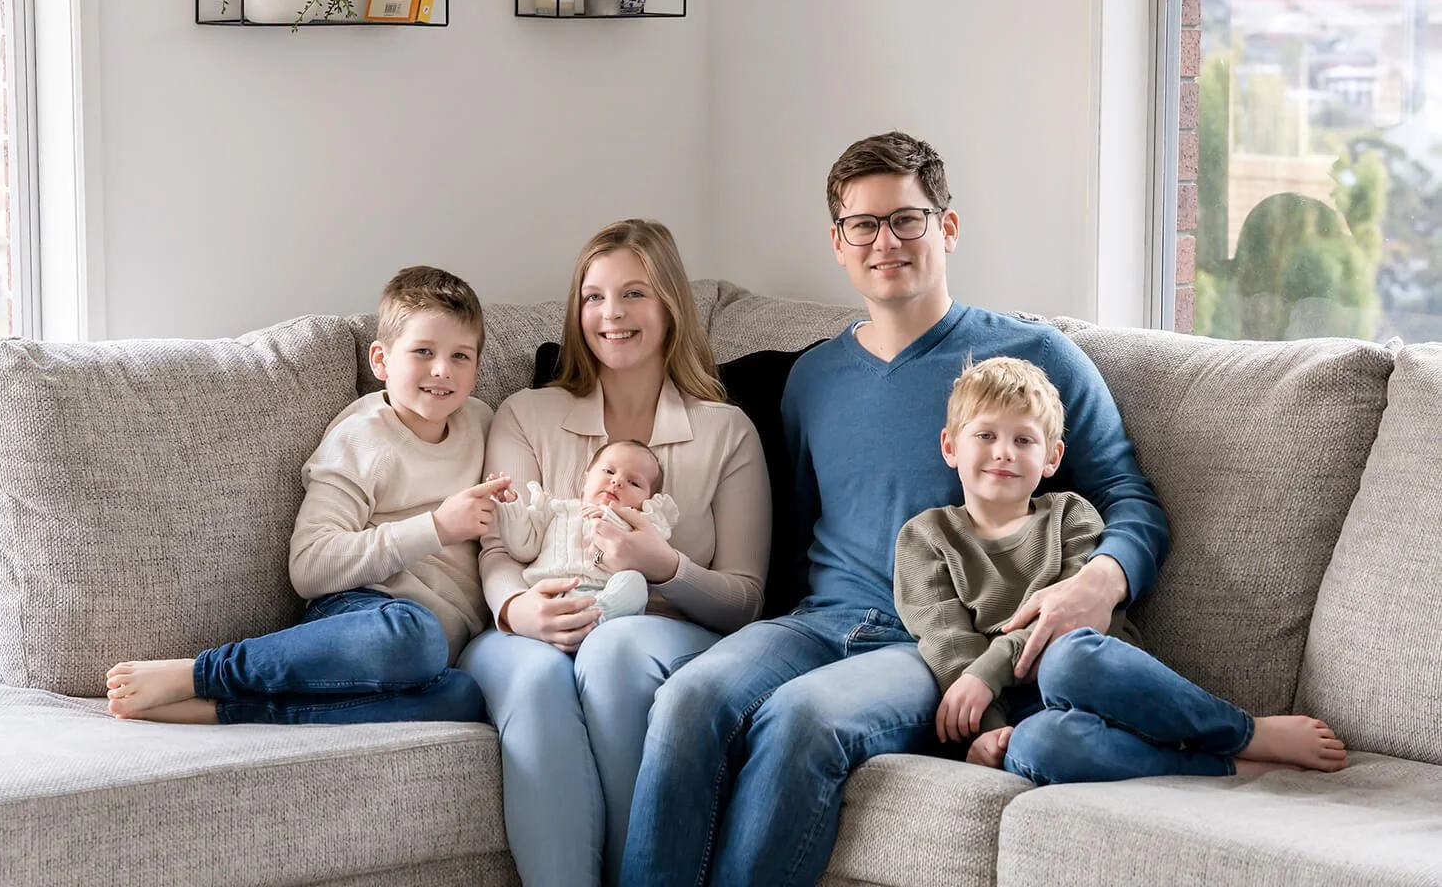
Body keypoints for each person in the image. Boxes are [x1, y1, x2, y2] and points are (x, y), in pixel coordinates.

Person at [620, 131, 1172, 887]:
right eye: (863, 225)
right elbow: (801, 532)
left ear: (946, 227)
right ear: (839, 244)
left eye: (906, 219)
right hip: (815, 622)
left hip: (928, 642)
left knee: (802, 721)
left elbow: (1128, 494)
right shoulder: (811, 378)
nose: (886, 241)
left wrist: (1100, 583)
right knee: (685, 698)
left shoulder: (1034, 356)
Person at [460, 220, 771, 887]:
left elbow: (745, 599)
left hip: (660, 627)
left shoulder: (726, 431)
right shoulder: (525, 413)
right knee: (539, 677)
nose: (612, 315)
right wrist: (516, 609)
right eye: (593, 296)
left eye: (634, 294)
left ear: (671, 306)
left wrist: (666, 567)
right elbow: (494, 546)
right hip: (522, 625)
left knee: (614, 651)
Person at [894, 356, 1347, 781]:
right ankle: (1223, 766)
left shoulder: (1071, 517)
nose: (1004, 452)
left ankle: (1244, 732)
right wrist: (986, 730)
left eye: (1024, 440)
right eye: (986, 436)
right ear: (951, 446)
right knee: (1036, 748)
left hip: (1104, 686)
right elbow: (948, 644)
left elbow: (1073, 622)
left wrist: (989, 670)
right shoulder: (926, 538)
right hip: (1026, 718)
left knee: (1066, 658)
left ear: (1052, 457)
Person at [104, 265, 509, 724]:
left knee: (464, 697)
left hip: (433, 655)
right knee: (416, 636)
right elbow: (310, 566)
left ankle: (230, 710)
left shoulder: (482, 422)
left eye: (461, 356)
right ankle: (206, 673)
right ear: (381, 360)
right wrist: (436, 528)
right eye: (423, 351)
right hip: (363, 612)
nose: (442, 370)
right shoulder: (363, 440)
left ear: (477, 367)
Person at [495, 438, 680, 622]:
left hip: (603, 593)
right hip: (547, 594)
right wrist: (512, 507)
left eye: (634, 483)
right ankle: (579, 619)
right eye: (609, 471)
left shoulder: (638, 525)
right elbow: (522, 548)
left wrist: (612, 516)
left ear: (646, 500)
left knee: (635, 582)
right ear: (586, 480)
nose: (617, 481)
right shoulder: (555, 510)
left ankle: (596, 614)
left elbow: (654, 546)